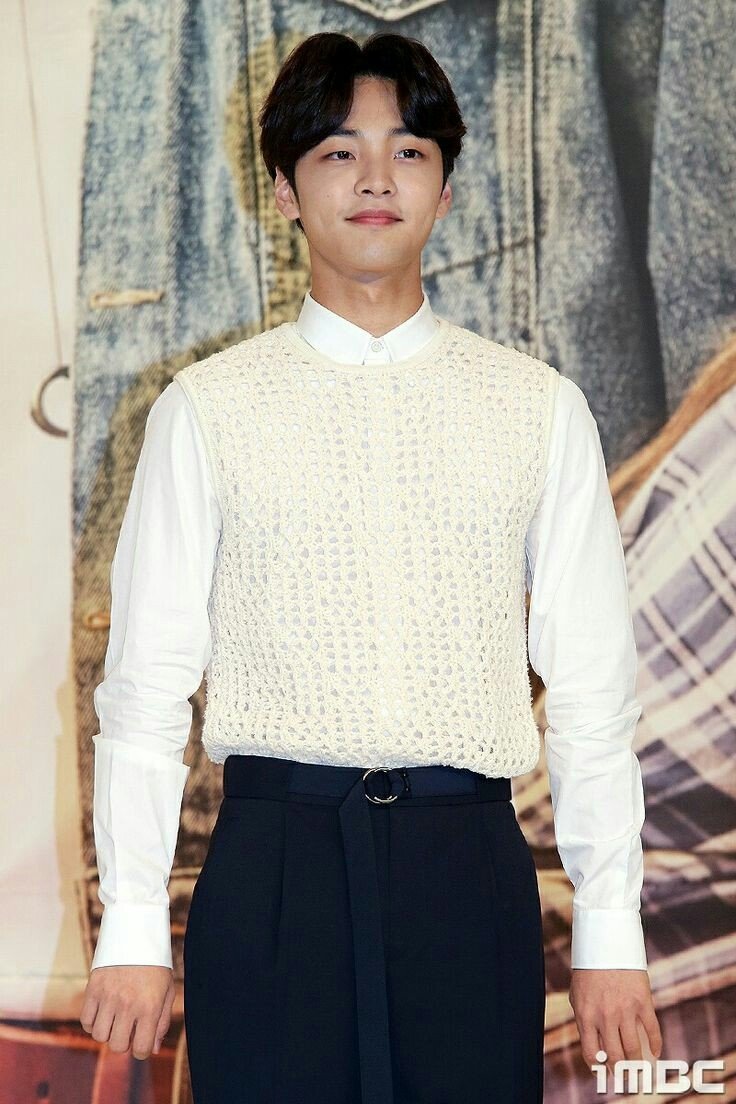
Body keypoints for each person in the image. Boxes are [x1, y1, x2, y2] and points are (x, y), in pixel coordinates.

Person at [79, 31, 662, 1102]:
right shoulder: (206, 410)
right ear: (286, 191)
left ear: (446, 188)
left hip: (469, 868)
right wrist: (131, 925)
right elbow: (147, 691)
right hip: (273, 868)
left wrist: (610, 927)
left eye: (409, 151)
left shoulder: (537, 409)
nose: (377, 178)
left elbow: (591, 694)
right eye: (340, 152)